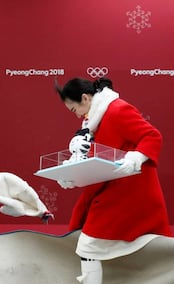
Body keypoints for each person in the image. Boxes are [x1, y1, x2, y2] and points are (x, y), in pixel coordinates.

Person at [55, 77, 172, 283]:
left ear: (84, 98)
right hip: (112, 191)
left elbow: (152, 136)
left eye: (74, 110)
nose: (76, 116)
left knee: (88, 245)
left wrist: (136, 157)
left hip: (128, 192)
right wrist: (71, 177)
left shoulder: (118, 110)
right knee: (89, 245)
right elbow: (94, 159)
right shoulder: (92, 122)